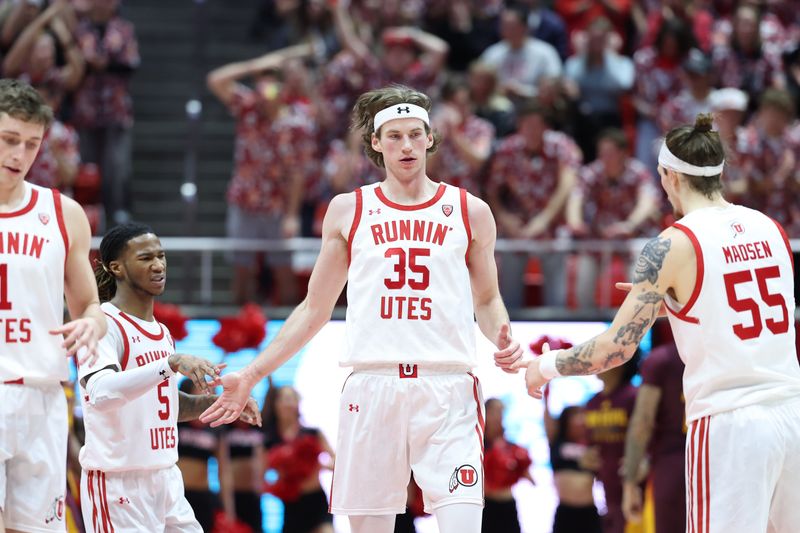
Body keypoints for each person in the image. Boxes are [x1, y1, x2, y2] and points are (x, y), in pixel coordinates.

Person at [200, 84, 524, 533]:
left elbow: (487, 301)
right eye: (394, 136)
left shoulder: (470, 210)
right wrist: (253, 374)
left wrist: (503, 335)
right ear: (375, 142)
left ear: (431, 137)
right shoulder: (349, 210)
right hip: (373, 386)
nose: (406, 145)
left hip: (447, 386)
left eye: (415, 134)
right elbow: (314, 309)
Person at [523, 113, 800, 532]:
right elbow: (741, 306)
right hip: (792, 415)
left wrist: (544, 367)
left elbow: (616, 349)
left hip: (732, 423)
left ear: (668, 175)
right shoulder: (771, 228)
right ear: (720, 171)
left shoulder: (672, 244)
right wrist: (676, 302)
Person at [77, 222, 260, 532]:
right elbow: (100, 393)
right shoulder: (103, 323)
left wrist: (219, 403)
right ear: (116, 267)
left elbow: (165, 404)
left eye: (161, 256)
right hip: (119, 484)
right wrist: (169, 364)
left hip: (166, 477)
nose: (158, 264)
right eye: (146, 258)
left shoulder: (161, 333)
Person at [0, 78, 107, 533]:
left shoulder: (63, 214)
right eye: (8, 140)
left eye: (31, 144)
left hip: (43, 394)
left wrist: (89, 326)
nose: (19, 155)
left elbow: (91, 308)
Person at [622, 342, 686, 533]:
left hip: (673, 466)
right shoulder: (722, 351)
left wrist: (630, 483)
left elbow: (642, 421)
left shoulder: (661, 358)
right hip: (719, 460)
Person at [262, 382, 334, 533]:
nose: (287, 403)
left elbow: (336, 461)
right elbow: (261, 474)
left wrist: (317, 465)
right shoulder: (270, 440)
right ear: (276, 405)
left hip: (316, 501)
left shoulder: (312, 433)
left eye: (291, 399)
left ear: (298, 403)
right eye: (283, 399)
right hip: (291, 504)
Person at [177, 379, 235, 532]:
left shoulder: (216, 427)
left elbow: (224, 471)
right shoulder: (175, 420)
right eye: (203, 388)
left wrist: (229, 511)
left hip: (203, 497)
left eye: (212, 390)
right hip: (177, 496)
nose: (209, 393)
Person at [542, 391, 601, 533]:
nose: (581, 419)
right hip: (565, 512)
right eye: (575, 415)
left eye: (582, 415)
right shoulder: (556, 441)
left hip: (588, 512)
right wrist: (546, 393)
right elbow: (547, 420)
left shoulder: (592, 444)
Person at [481, 398, 532, 533]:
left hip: (508, 505)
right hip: (487, 507)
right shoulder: (478, 445)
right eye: (494, 411)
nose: (498, 416)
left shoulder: (509, 446)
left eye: (501, 411)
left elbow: (527, 474)